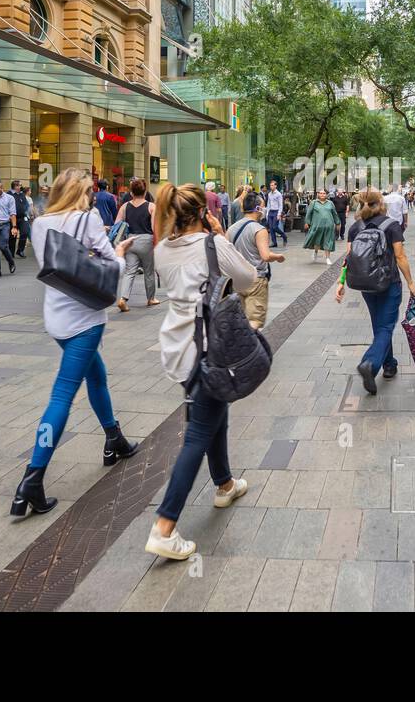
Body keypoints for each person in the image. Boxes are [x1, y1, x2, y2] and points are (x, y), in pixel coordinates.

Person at [10, 168, 138, 518]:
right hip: (85, 318)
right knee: (62, 395)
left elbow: (55, 266)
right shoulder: (88, 219)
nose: (91, 196)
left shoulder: (39, 224)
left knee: (96, 376)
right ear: (81, 193)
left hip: (56, 317)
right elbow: (112, 266)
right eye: (88, 191)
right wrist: (119, 249)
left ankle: (115, 439)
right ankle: (32, 479)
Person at [146, 183, 258, 560]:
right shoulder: (213, 245)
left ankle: (225, 483)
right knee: (197, 434)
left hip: (177, 348)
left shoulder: (162, 249)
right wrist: (221, 236)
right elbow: (248, 280)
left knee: (212, 413)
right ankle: (165, 525)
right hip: (210, 348)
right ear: (204, 212)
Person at [334, 188, 415, 395]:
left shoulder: (355, 228)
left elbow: (348, 258)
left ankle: (389, 365)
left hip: (366, 285)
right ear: (381, 203)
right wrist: (410, 283)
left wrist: (341, 282)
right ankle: (370, 364)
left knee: (379, 326)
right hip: (389, 283)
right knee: (386, 327)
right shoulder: (392, 225)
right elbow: (400, 257)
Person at [228, 190, 285, 327]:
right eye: (263, 207)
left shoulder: (231, 229)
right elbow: (265, 256)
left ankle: (242, 343)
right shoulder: (259, 229)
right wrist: (278, 256)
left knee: (240, 320)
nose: (264, 210)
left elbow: (226, 254)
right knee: (255, 321)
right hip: (256, 280)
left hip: (236, 279)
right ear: (258, 209)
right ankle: (249, 346)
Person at [112, 177, 160, 310]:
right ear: (145, 192)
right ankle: (151, 298)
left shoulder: (125, 206)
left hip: (130, 241)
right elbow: (154, 227)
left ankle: (123, 298)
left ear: (131, 193)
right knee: (149, 271)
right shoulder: (151, 206)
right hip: (146, 240)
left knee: (129, 271)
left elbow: (117, 225)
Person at [302, 188, 338, 264]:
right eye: (320, 193)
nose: (322, 195)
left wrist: (337, 223)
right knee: (317, 241)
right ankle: (315, 252)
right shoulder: (314, 203)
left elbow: (334, 214)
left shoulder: (330, 203)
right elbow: (309, 213)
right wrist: (307, 223)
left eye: (324, 193)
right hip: (317, 226)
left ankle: (328, 258)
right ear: (318, 194)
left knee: (328, 242)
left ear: (326, 194)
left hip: (329, 226)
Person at [8, 181, 31, 259]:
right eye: (19, 186)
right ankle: (11, 253)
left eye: (20, 185)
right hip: (13, 217)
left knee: (25, 232)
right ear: (15, 186)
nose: (20, 187)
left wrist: (27, 213)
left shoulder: (21, 194)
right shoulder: (9, 194)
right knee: (12, 236)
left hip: (22, 217)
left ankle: (20, 250)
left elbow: (26, 204)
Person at [265, 180, 285, 248]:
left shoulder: (278, 194)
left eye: (273, 185)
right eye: (270, 185)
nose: (271, 186)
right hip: (270, 212)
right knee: (271, 228)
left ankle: (284, 235)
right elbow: (268, 204)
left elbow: (280, 205)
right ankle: (274, 243)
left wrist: (279, 214)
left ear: (276, 186)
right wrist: (267, 213)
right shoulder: (269, 194)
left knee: (275, 227)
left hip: (276, 212)